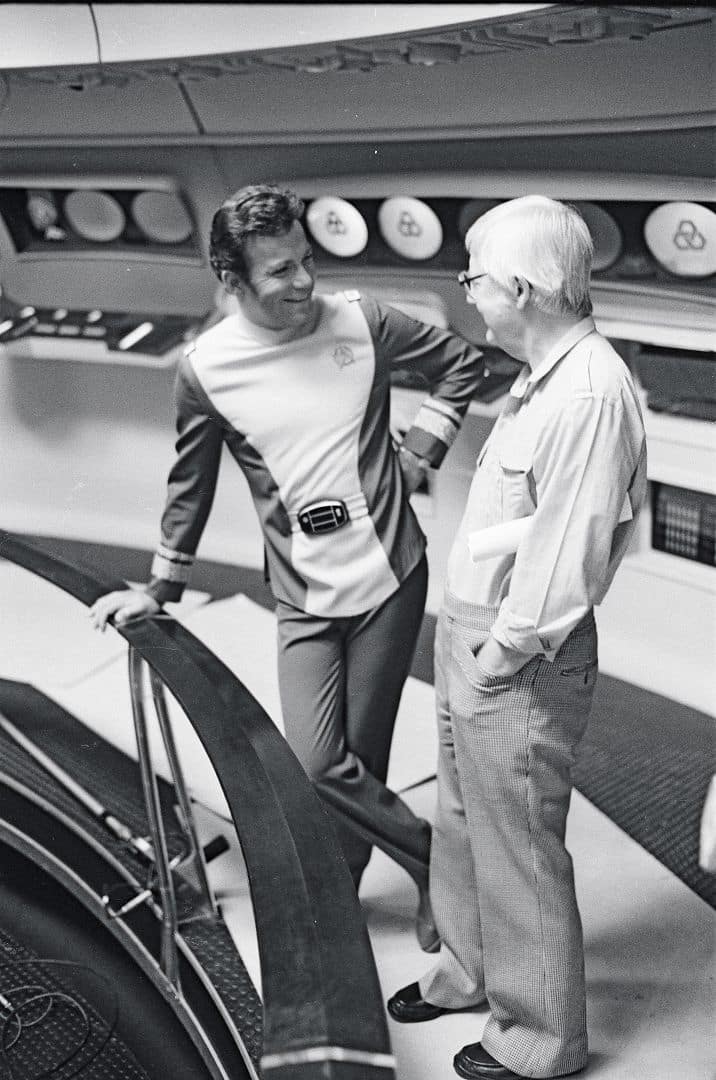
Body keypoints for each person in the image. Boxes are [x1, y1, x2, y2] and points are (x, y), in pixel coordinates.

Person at [89, 183, 485, 951]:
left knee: (356, 759)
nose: (304, 282)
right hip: (304, 595)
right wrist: (161, 588)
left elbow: (461, 366)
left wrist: (417, 456)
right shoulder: (206, 370)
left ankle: (354, 886)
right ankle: (440, 865)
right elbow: (189, 485)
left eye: (306, 260)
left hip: (391, 581)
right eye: (280, 271)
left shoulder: (361, 321)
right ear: (232, 278)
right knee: (316, 761)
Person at [388, 196, 647, 1076]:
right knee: (463, 821)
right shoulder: (541, 374)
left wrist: (502, 652)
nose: (468, 296)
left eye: (474, 278)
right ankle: (467, 972)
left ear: (525, 289)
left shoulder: (589, 391)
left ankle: (541, 1039)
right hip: (473, 631)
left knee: (519, 848)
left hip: (517, 654)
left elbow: (571, 550)